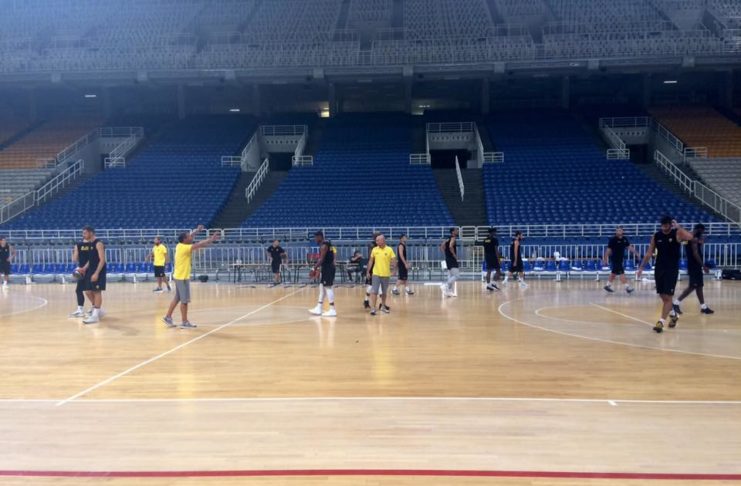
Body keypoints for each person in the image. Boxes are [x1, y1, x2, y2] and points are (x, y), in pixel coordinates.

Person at [637, 216, 693, 333]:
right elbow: (649, 253)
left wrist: (678, 227)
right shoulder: (656, 236)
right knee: (662, 295)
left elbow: (690, 237)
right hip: (659, 268)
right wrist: (641, 267)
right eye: (663, 223)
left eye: (667, 223)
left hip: (671, 269)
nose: (664, 225)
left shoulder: (676, 233)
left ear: (670, 224)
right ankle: (673, 314)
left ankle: (661, 322)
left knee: (668, 296)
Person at [163, 225, 220, 329]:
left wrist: (197, 231)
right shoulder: (185, 248)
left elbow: (192, 237)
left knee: (177, 298)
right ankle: (184, 322)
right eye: (189, 236)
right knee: (184, 301)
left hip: (179, 276)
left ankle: (168, 317)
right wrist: (211, 239)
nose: (191, 237)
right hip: (182, 277)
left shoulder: (180, 245)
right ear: (185, 239)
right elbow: (198, 244)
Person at [673, 224, 714, 315]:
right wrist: (703, 266)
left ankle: (703, 307)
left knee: (699, 286)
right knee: (692, 286)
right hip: (694, 265)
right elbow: (695, 253)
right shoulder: (693, 238)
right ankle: (676, 303)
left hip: (694, 264)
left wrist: (700, 241)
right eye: (702, 232)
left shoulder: (689, 237)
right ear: (699, 230)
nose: (702, 234)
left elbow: (685, 241)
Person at [79, 226, 107, 325]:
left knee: (96, 291)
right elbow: (90, 260)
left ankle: (95, 315)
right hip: (91, 270)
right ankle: (99, 310)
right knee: (87, 291)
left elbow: (102, 260)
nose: (83, 235)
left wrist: (96, 273)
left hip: (98, 270)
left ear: (91, 233)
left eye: (85, 233)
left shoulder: (98, 243)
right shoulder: (90, 244)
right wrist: (84, 268)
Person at [308, 231, 337, 317]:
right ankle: (319, 307)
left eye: (316, 237)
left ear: (320, 237)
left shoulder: (324, 246)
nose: (315, 239)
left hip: (328, 268)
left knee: (328, 288)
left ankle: (332, 309)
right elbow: (330, 256)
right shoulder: (328, 244)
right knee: (322, 288)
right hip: (327, 267)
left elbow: (321, 259)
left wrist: (314, 268)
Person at [603, 226, 639, 294]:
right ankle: (627, 288)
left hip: (620, 259)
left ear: (622, 231)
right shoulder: (613, 240)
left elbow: (629, 247)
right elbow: (608, 250)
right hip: (615, 259)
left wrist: (636, 253)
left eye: (620, 230)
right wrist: (605, 259)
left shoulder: (624, 239)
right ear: (616, 232)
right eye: (617, 230)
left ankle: (607, 285)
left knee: (614, 273)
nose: (618, 231)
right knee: (621, 272)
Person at [367, 234, 396, 315]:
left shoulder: (389, 249)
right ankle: (373, 308)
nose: (376, 242)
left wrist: (394, 270)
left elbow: (394, 260)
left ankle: (383, 307)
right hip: (376, 274)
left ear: (383, 240)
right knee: (374, 291)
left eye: (377, 240)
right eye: (376, 240)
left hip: (386, 274)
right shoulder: (374, 250)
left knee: (384, 292)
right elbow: (371, 261)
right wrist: (368, 271)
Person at [69, 235, 92, 318]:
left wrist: (73, 251)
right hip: (88, 269)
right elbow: (92, 259)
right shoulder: (92, 245)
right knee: (87, 290)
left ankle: (84, 309)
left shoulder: (79, 245)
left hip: (84, 270)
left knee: (83, 290)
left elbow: (74, 259)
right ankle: (85, 309)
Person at [477, 227, 501, 291]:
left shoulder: (485, 240)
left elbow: (485, 249)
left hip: (487, 256)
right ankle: (493, 283)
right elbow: (496, 250)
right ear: (492, 232)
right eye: (495, 232)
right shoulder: (495, 240)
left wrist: (486, 257)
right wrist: (499, 259)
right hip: (494, 256)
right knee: (498, 271)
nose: (495, 233)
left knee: (489, 271)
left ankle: (489, 285)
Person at [440, 228, 460, 297]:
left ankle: (448, 291)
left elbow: (441, 247)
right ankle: (445, 285)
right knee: (456, 276)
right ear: (453, 232)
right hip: (452, 259)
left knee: (451, 275)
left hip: (447, 258)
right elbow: (451, 246)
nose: (457, 231)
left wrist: (446, 253)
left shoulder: (447, 239)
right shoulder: (453, 238)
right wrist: (454, 256)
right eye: (456, 230)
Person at [363, 232, 381, 309]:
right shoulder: (372, 245)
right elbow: (371, 257)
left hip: (379, 266)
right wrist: (368, 271)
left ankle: (367, 301)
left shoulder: (380, 245)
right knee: (371, 285)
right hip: (373, 267)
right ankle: (366, 301)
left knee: (379, 285)